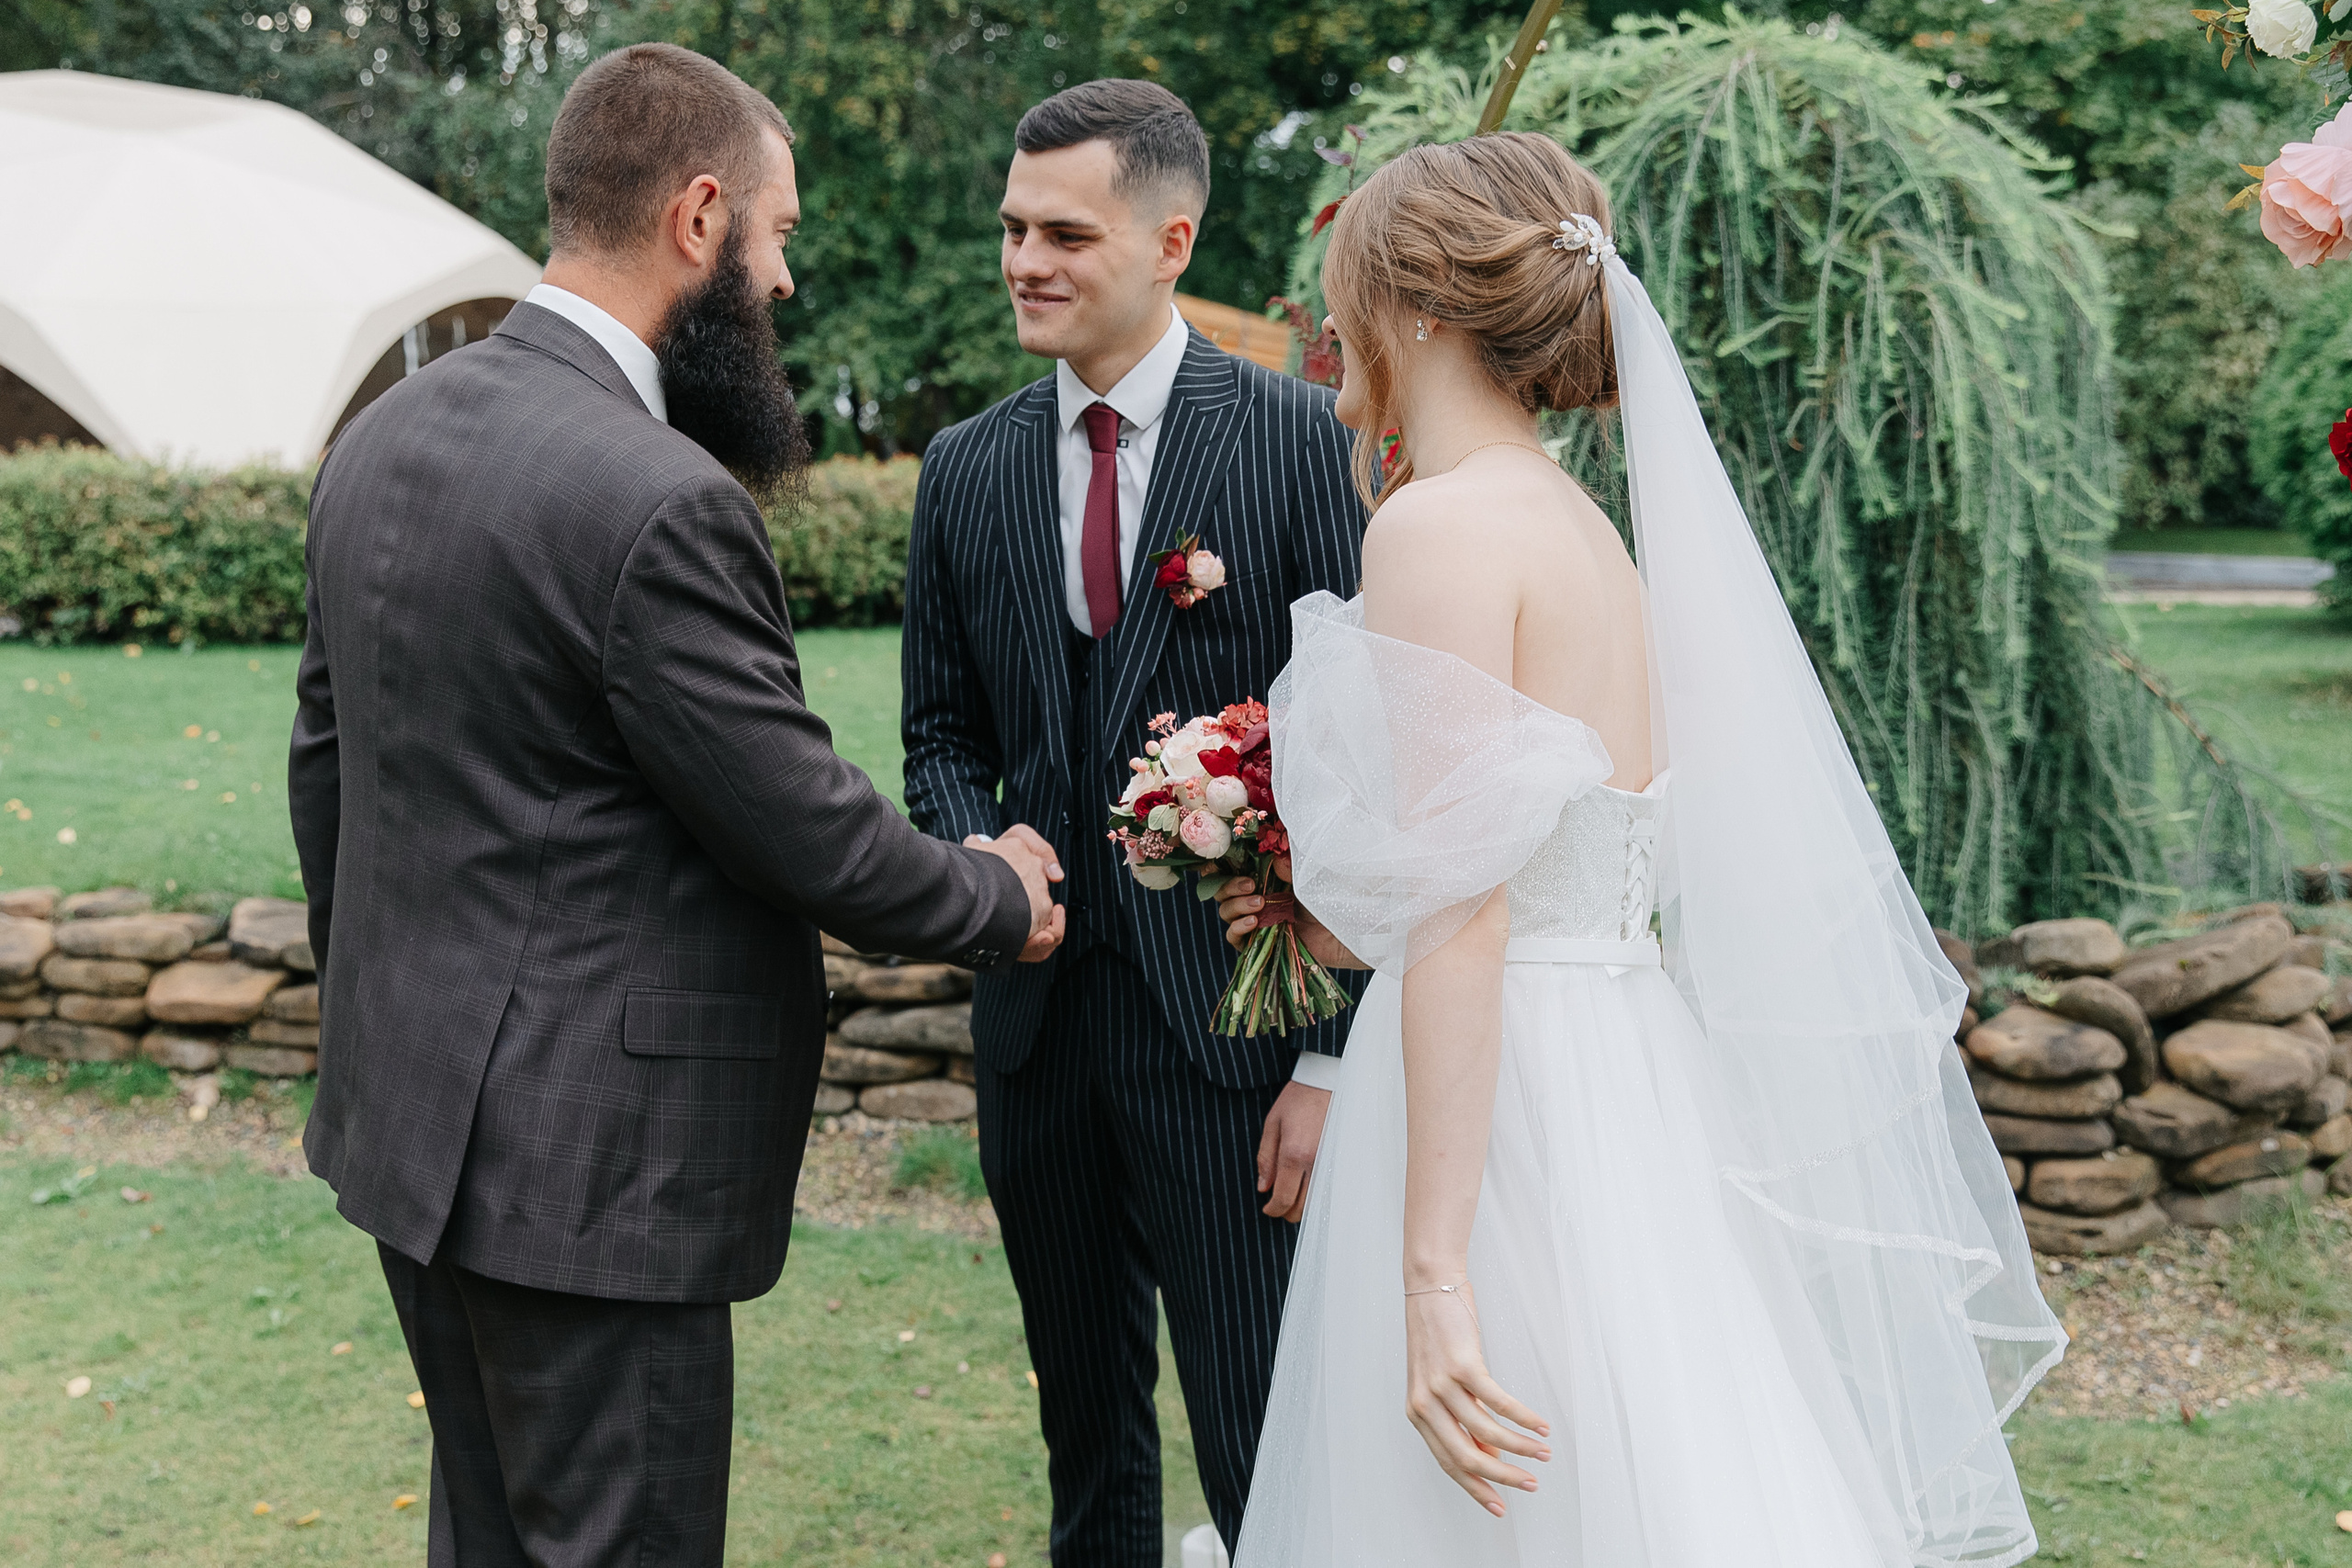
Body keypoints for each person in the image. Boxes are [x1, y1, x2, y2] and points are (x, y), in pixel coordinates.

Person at [1214, 132, 2066, 1565]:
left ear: (1413, 307)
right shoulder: (1585, 532)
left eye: (1339, 296)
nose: (1324, 332)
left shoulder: (1438, 528)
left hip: (1504, 1106)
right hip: (1627, 1078)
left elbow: (1470, 919)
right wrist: (1319, 924)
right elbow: (1560, 856)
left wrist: (1432, 1278)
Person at [290, 43, 1064, 1566]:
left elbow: (329, 771)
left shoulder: (380, 437)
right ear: (700, 219)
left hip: (411, 1130)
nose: (781, 282)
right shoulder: (659, 498)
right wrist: (1001, 894)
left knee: (492, 1540)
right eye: (776, 236)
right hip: (593, 1171)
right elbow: (800, 822)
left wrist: (405, 1007)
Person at [899, 79, 1368, 1563]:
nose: (1025, 260)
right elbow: (939, 737)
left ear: (1172, 240)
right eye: (1012, 230)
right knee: (1086, 1443)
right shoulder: (963, 469)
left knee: (1262, 1437)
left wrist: (1331, 1057)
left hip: (1236, 1043)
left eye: (1064, 233)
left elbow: (1373, 765)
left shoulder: (1302, 443)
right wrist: (979, 847)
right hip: (1036, 1040)